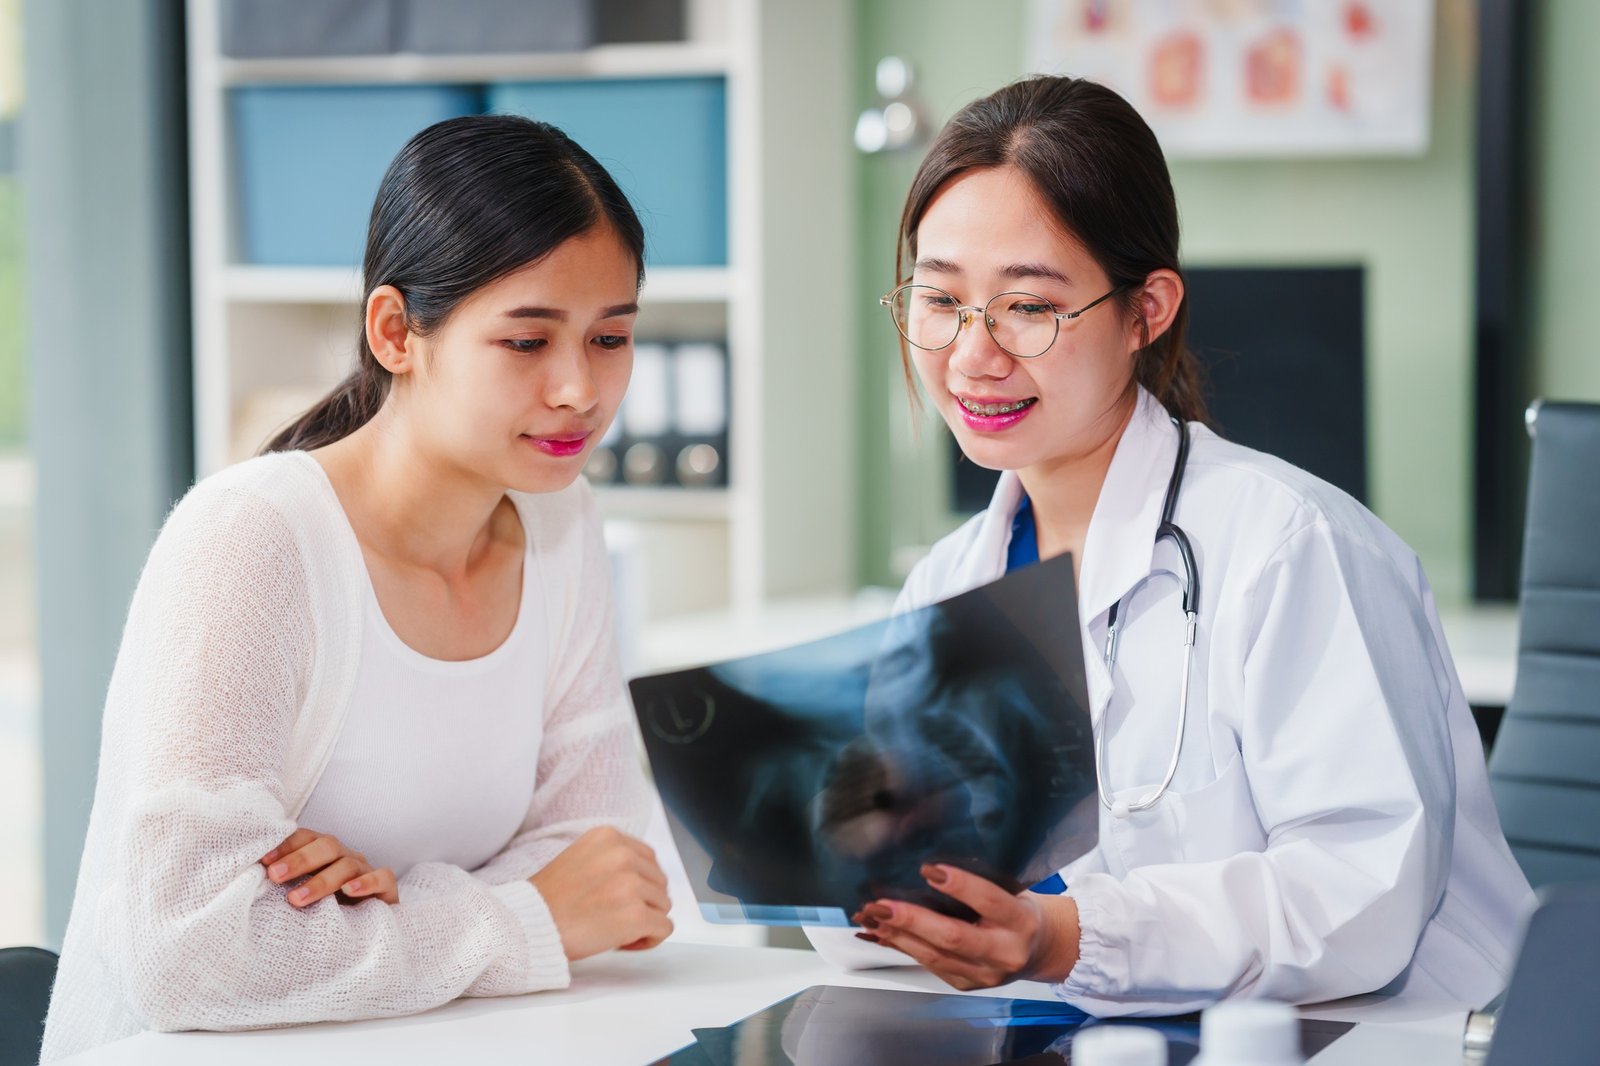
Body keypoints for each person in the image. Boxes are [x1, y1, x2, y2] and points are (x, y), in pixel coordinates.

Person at [806, 75, 1534, 1015]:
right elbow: (902, 887)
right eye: (939, 300)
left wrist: (1069, 936)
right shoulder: (950, 583)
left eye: (1028, 307)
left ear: (1146, 310)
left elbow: (1362, 892)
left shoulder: (1289, 546)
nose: (972, 356)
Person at [42, 114, 673, 1062]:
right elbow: (187, 957)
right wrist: (519, 917)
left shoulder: (561, 522)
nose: (580, 390)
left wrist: (383, 903)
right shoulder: (252, 541)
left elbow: (606, 859)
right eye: (526, 341)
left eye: (611, 337)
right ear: (394, 332)